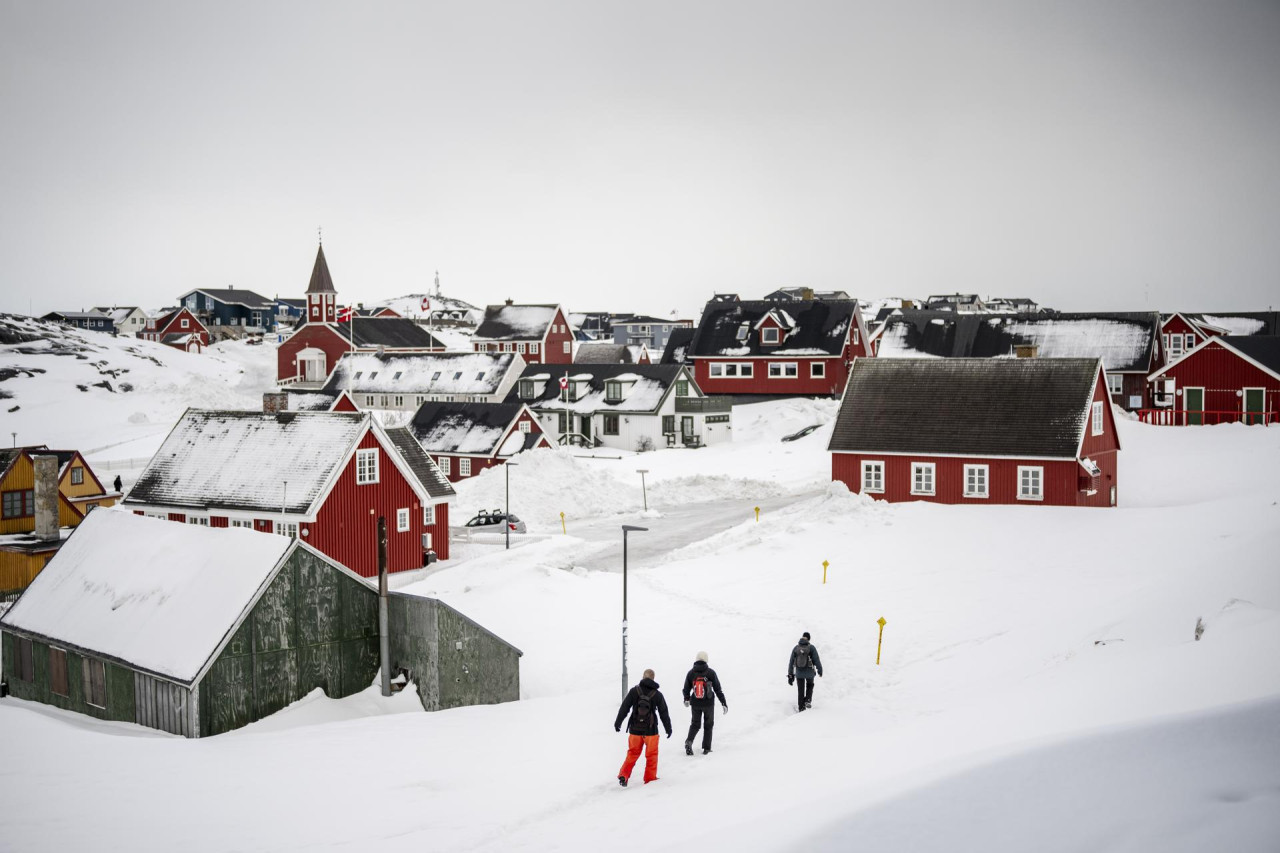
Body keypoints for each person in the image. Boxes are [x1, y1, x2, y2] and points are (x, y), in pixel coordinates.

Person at [614, 668, 673, 786]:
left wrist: (618, 722)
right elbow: (664, 713)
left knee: (632, 753)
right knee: (651, 755)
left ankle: (623, 775)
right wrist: (668, 728)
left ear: (643, 677)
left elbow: (624, 708)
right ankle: (650, 779)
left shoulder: (634, 691)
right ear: (653, 678)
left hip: (635, 730)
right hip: (651, 731)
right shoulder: (657, 694)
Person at [681, 651, 727, 755]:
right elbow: (718, 689)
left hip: (695, 703)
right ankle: (706, 748)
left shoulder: (691, 673)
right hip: (708, 704)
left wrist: (686, 699)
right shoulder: (711, 672)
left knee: (695, 724)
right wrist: (723, 703)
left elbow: (686, 688)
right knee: (708, 725)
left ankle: (689, 741)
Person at [787, 631, 823, 712]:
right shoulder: (811, 648)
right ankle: (808, 700)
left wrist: (790, 674)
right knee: (810, 685)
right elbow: (816, 660)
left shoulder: (796, 648)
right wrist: (820, 670)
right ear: (809, 639)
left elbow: (791, 662)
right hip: (810, 672)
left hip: (799, 673)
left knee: (800, 690)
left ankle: (801, 708)